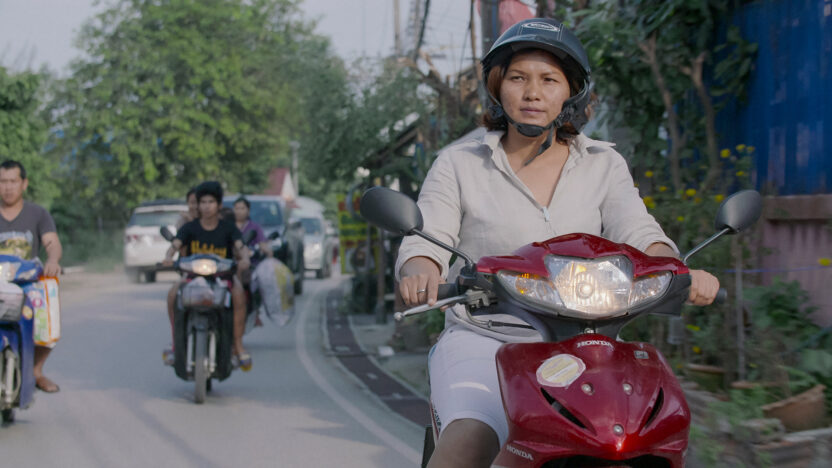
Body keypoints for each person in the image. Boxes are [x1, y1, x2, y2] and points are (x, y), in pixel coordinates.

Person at [394, 19, 720, 468]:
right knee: (470, 439)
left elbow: (640, 232)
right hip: (487, 340)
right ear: (497, 87)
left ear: (571, 92)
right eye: (518, 78)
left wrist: (677, 270)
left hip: (591, 346)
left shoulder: (603, 164)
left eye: (549, 80)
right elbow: (429, 234)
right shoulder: (459, 163)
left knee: (651, 436)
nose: (533, 93)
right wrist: (421, 267)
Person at [162, 181, 253, 370]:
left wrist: (245, 259)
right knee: (172, 294)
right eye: (202, 202)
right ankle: (175, 343)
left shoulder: (228, 228)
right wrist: (168, 257)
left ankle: (237, 345)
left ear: (219, 205)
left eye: (211, 202)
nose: (206, 206)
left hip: (223, 277)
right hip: (192, 277)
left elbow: (240, 246)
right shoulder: (190, 228)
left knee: (239, 295)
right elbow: (175, 245)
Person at [0, 160, 63, 393]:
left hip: (27, 284)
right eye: (3, 181)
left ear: (24, 184)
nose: (8, 187)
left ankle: (36, 370)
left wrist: (53, 260)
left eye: (13, 181)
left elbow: (52, 243)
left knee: (49, 312)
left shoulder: (38, 214)